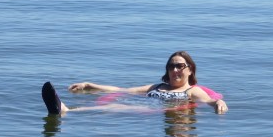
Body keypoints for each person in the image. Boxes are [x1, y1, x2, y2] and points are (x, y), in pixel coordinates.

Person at [41, 50, 228, 115]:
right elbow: (124, 90)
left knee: (117, 108)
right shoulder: (157, 87)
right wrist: (90, 85)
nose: (174, 70)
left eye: (179, 66)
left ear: (190, 69)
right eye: (171, 66)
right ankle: (64, 110)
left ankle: (67, 111)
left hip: (151, 111)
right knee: (116, 104)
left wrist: (219, 103)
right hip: (141, 103)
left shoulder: (191, 92)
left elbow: (210, 101)